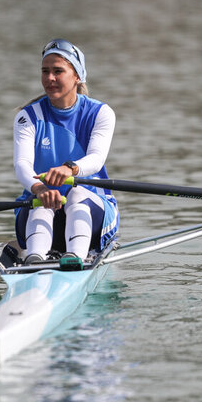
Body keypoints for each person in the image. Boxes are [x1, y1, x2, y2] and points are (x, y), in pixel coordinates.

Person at [13, 38, 119, 264]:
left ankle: (76, 259)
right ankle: (35, 260)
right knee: (41, 201)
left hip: (93, 214)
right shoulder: (27, 117)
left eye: (58, 71)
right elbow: (22, 165)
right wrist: (40, 188)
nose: (50, 78)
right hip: (38, 210)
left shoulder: (101, 113)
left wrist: (70, 168)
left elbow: (96, 160)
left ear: (77, 76)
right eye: (45, 71)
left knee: (78, 194)